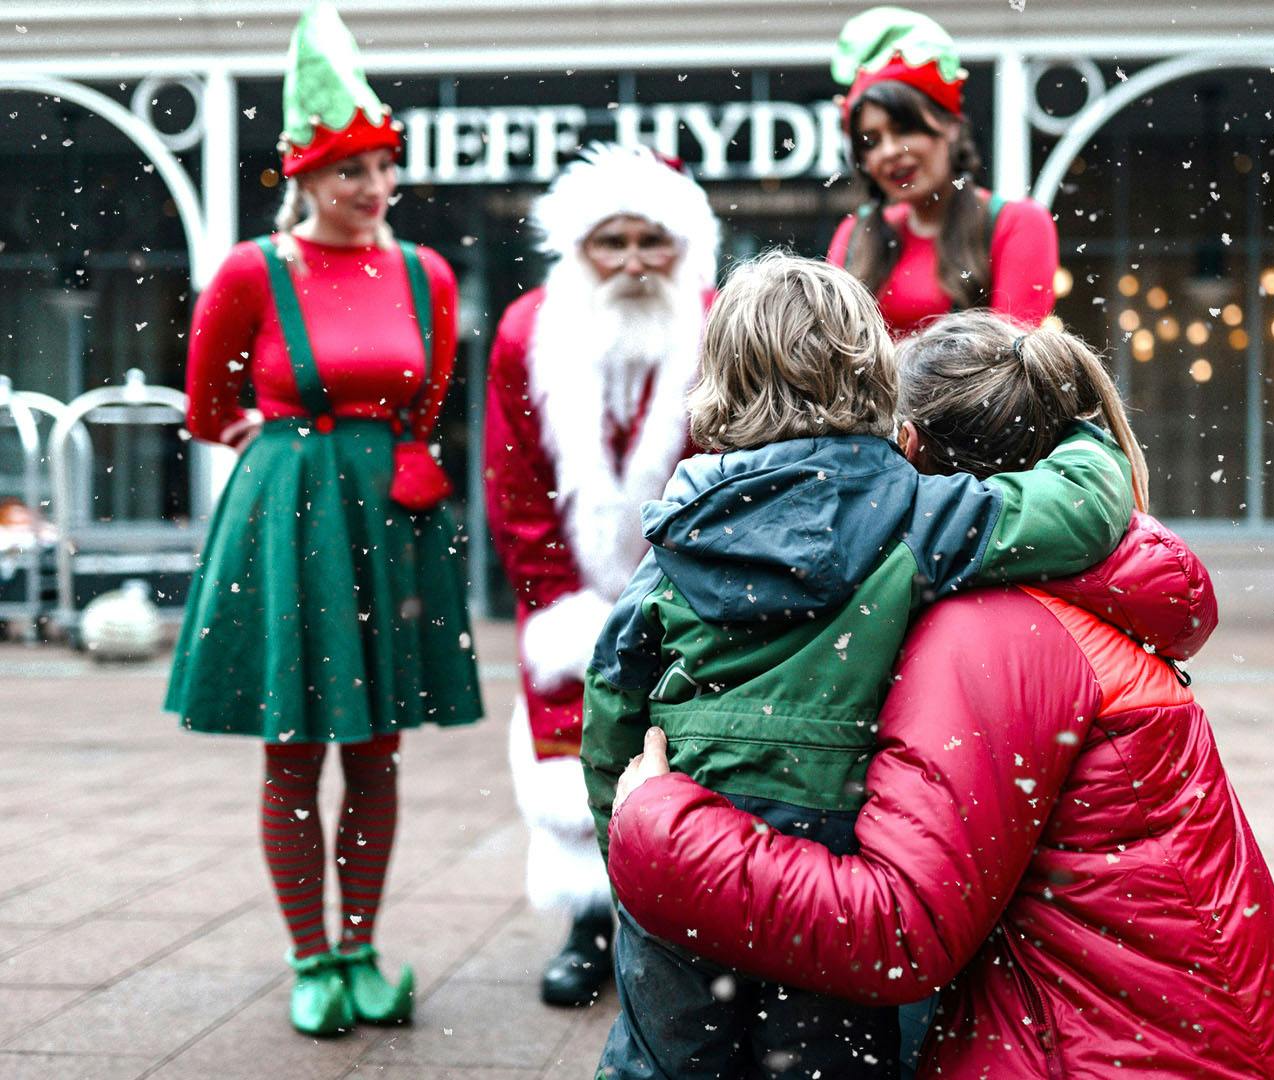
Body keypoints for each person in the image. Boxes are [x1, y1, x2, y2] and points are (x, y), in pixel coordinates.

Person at [607, 311, 1274, 1079]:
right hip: (1180, 1033)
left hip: (1121, 1053)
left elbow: (897, 933)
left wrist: (659, 824)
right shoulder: (1059, 588)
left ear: (908, 450)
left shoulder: (992, 635)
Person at [583, 260, 1145, 1078]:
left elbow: (611, 689)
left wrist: (625, 838)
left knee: (665, 1060)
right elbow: (1085, 511)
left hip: (680, 827)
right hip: (833, 851)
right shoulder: (915, 513)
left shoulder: (682, 524)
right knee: (831, 1060)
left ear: (719, 389)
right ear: (875, 374)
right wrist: (1078, 429)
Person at [164, 2, 482, 1037]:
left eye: (386, 166)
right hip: (293, 523)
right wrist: (295, 443)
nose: (378, 188)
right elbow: (207, 409)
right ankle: (311, 956)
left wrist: (354, 452)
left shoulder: (425, 273)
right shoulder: (253, 272)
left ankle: (361, 949)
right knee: (294, 751)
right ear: (304, 175)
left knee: (380, 750)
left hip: (384, 522)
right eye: (355, 171)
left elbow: (427, 399)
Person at [483, 142, 718, 1008]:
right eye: (607, 242)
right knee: (571, 749)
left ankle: (675, 930)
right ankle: (587, 925)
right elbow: (513, 479)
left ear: (681, 243)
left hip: (688, 587)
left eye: (649, 241)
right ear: (576, 246)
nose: (628, 262)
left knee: (692, 756)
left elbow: (725, 462)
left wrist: (691, 585)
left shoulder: (713, 320)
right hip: (567, 587)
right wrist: (557, 599)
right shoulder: (526, 330)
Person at [827, 6, 1059, 336]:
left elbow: (1010, 366)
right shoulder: (854, 235)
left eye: (905, 129)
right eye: (871, 140)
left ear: (950, 126)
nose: (889, 151)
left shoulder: (1016, 224)